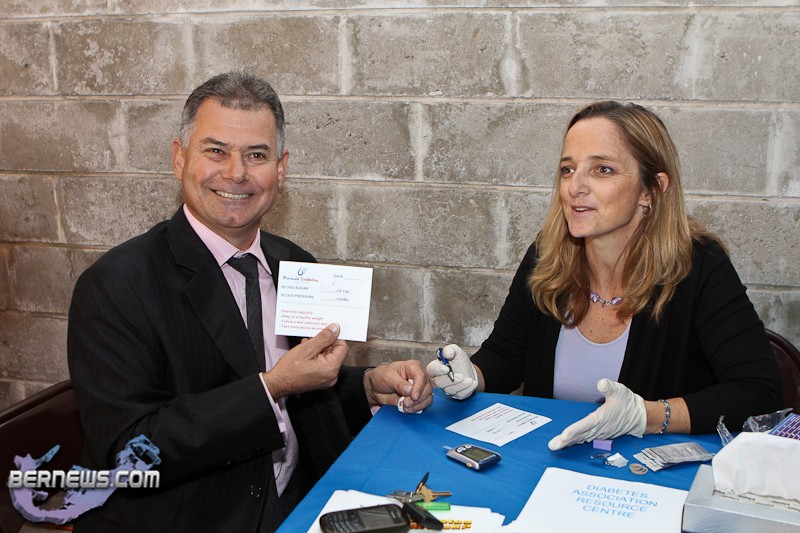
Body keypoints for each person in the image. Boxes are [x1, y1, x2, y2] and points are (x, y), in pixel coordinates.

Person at [67, 71, 432, 532]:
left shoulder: (295, 263)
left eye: (256, 155)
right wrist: (271, 387)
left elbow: (300, 390)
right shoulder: (115, 285)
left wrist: (367, 385)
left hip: (300, 503)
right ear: (179, 158)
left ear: (280, 169)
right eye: (215, 151)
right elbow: (128, 451)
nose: (236, 173)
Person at [427, 101, 782, 451]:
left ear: (651, 190)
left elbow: (759, 392)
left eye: (603, 170)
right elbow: (506, 358)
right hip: (552, 464)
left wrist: (646, 416)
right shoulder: (547, 254)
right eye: (568, 169)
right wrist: (471, 376)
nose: (575, 186)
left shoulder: (698, 264)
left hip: (648, 476)